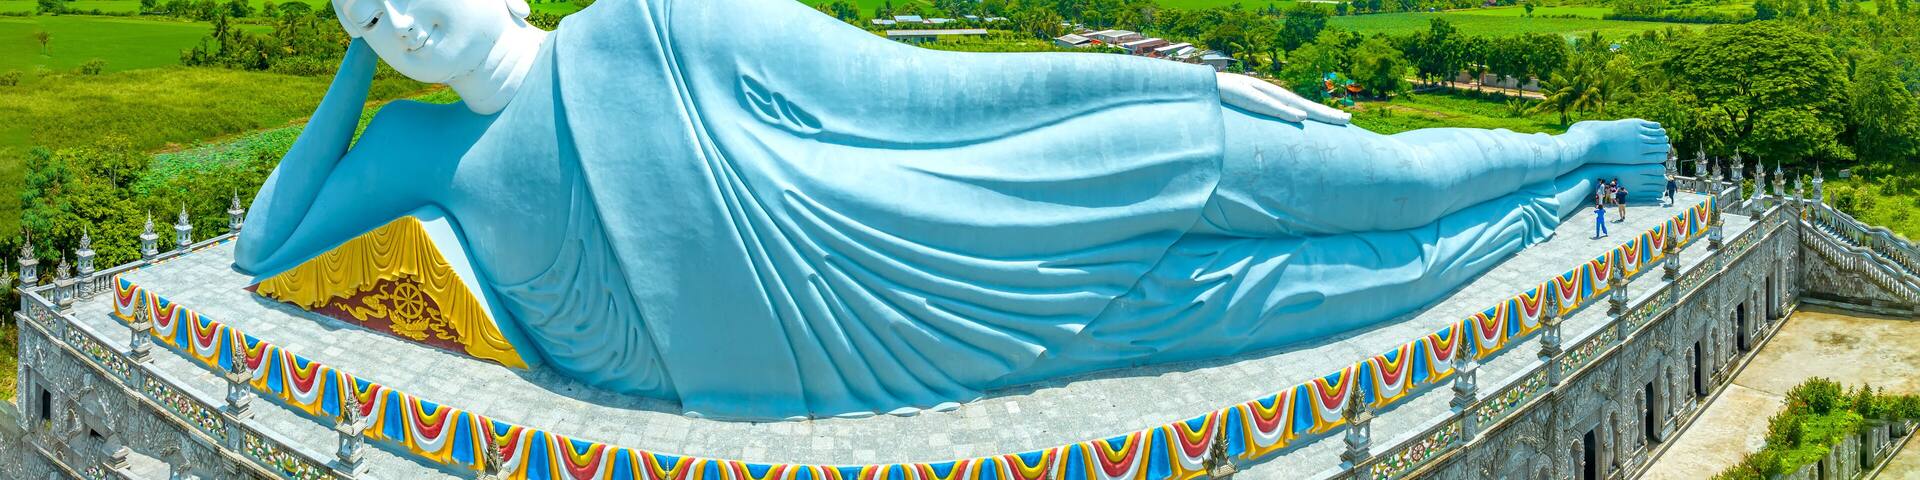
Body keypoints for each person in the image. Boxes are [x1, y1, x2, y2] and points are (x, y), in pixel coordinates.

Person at [234, 0, 1672, 419]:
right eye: (368, 14)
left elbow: (921, 89)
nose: (404, 15)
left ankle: (1572, 149)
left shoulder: (649, 25)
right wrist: (348, 83)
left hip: (970, 215)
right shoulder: (427, 160)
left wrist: (1187, 89)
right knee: (1324, 293)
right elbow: (264, 250)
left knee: (1351, 179)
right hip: (938, 351)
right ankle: (1540, 217)